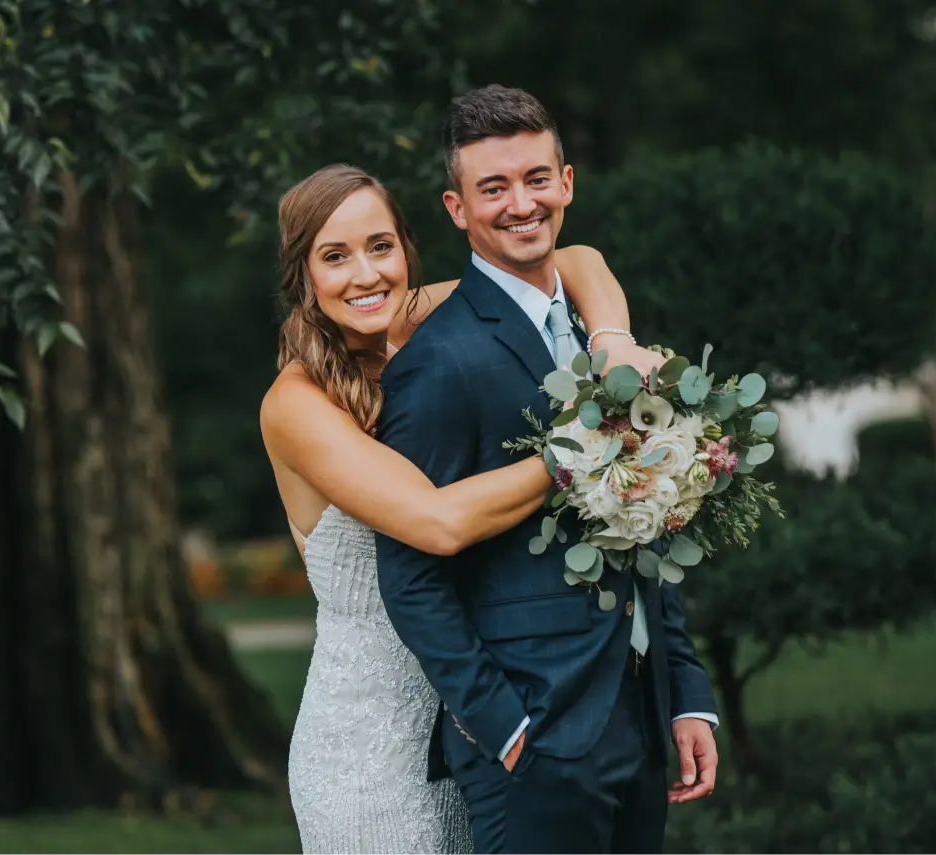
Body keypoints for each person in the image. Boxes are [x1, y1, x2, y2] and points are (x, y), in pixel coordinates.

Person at [260, 162, 666, 854]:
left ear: (406, 250)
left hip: (479, 711)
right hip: (373, 744)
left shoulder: (421, 318)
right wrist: (585, 440)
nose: (365, 275)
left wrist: (612, 345)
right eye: (335, 256)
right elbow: (439, 522)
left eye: (379, 246)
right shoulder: (296, 404)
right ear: (302, 276)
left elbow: (577, 260)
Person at [374, 85, 720, 855]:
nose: (519, 203)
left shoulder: (608, 342)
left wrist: (687, 695)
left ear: (567, 183)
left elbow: (643, 520)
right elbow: (407, 570)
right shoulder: (440, 362)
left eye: (536, 178)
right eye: (492, 188)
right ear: (457, 208)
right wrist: (499, 722)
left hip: (638, 716)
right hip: (534, 739)